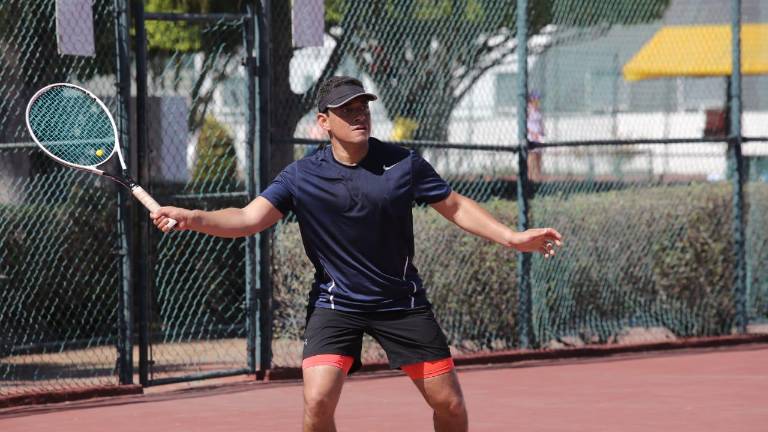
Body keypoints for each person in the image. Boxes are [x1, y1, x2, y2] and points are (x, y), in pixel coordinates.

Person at [151, 76, 563, 432]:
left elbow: (453, 205)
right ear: (324, 122)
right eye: (345, 110)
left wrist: (511, 237)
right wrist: (193, 216)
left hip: (401, 302)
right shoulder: (301, 176)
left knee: (450, 405)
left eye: (362, 107)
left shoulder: (403, 164)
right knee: (317, 402)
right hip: (337, 303)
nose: (358, 115)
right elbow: (247, 219)